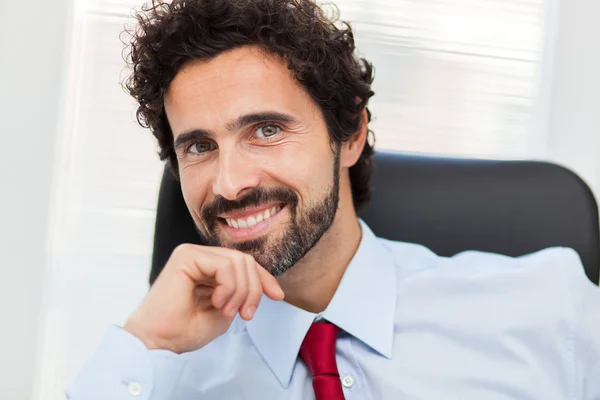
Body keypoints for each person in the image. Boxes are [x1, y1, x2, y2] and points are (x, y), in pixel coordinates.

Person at [66, 0, 600, 399]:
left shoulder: (551, 311)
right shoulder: (152, 375)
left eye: (267, 130)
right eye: (200, 146)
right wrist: (145, 343)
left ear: (347, 133)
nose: (229, 183)